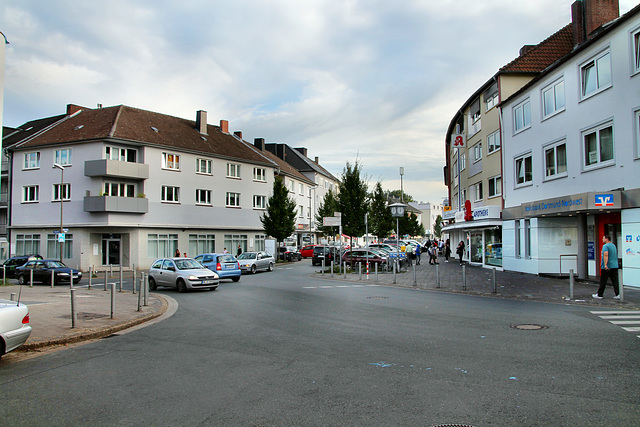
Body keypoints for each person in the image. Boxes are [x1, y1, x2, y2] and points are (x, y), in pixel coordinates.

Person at [593, 235, 620, 300]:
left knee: (603, 281)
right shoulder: (613, 245)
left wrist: (605, 265)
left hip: (607, 267)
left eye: (603, 238)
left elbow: (606, 255)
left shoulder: (605, 246)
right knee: (615, 281)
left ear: (607, 239)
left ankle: (600, 294)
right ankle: (618, 294)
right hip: (614, 265)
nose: (602, 239)